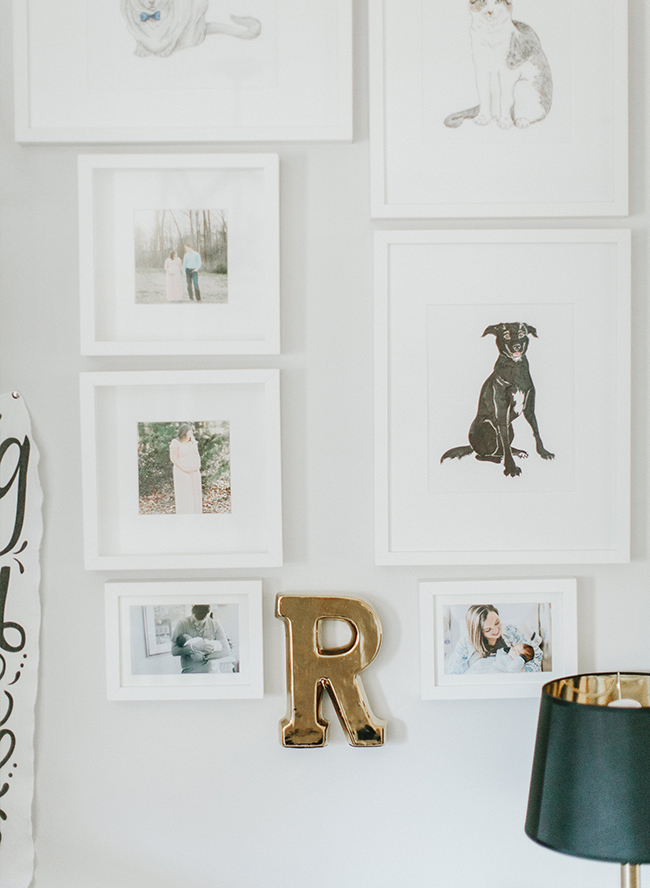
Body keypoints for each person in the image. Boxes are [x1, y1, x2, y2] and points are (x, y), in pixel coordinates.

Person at [445, 604, 542, 675]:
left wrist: (520, 673)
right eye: (488, 629)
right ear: (478, 632)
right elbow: (454, 675)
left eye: (497, 622)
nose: (496, 630)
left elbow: (536, 653)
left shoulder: (510, 631)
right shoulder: (465, 644)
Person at [171, 605, 231, 674]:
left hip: (212, 673)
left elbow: (226, 651)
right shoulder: (182, 623)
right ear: (192, 611)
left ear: (208, 615)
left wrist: (204, 657)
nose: (196, 624)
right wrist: (192, 647)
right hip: (190, 673)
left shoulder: (215, 624)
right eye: (193, 621)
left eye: (199, 623)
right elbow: (174, 651)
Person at [169, 423, 202, 514]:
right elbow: (173, 458)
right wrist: (184, 468)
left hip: (194, 472)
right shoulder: (175, 443)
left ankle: (195, 513)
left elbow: (197, 454)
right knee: (185, 493)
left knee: (195, 492)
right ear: (182, 434)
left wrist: (197, 466)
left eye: (190, 434)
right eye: (186, 435)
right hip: (182, 472)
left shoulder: (193, 442)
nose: (188, 437)